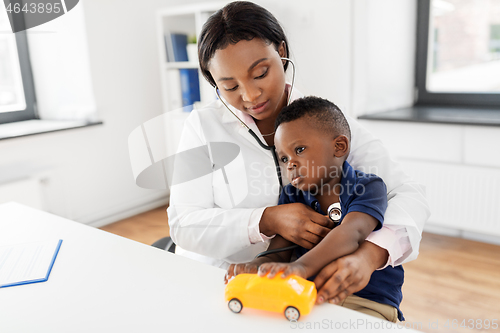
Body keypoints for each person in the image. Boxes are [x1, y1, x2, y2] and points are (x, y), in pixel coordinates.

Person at [167, 0, 429, 308]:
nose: (250, 95)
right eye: (230, 86)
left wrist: (371, 253)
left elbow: (408, 195)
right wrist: (266, 220)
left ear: (281, 51)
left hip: (299, 285)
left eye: (260, 73)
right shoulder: (202, 126)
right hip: (219, 277)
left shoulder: (323, 121)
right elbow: (183, 223)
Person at [224, 96, 403, 322]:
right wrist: (258, 266)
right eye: (283, 157)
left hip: (368, 301)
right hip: (307, 298)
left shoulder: (367, 186)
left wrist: (301, 267)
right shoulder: (291, 196)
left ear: (339, 147)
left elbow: (351, 233)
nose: (290, 163)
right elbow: (279, 252)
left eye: (299, 149)